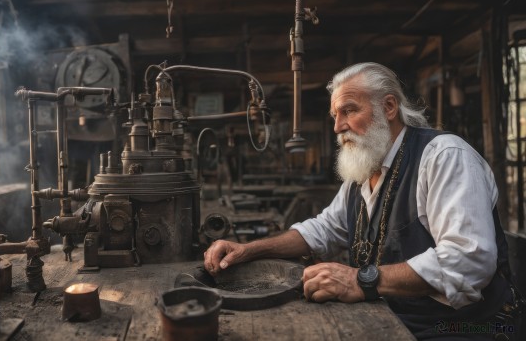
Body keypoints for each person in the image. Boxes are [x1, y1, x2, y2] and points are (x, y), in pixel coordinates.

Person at [204, 62, 520, 340]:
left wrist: (361, 280)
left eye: (349, 110)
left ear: (390, 107)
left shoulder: (444, 156)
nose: (338, 126)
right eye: (335, 115)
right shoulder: (364, 173)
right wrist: (249, 250)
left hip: (464, 328)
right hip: (395, 319)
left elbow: (469, 260)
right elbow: (322, 230)